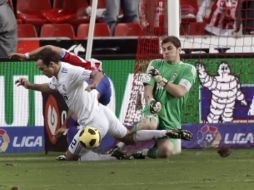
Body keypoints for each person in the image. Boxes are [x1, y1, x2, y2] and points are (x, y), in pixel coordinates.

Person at [14, 47, 192, 161]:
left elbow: (97, 73)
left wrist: (94, 85)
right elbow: (49, 87)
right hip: (102, 112)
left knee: (69, 158)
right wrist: (30, 85)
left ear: (52, 64)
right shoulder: (57, 76)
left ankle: (111, 158)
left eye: (42, 69)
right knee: (128, 137)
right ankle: (166, 133)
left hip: (93, 123)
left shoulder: (71, 71)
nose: (41, 71)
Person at [115, 36, 196, 159]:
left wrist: (161, 80)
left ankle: (141, 152)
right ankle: (119, 145)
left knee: (166, 150)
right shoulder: (155, 64)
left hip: (171, 119)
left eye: (169, 48)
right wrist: (152, 102)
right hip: (154, 112)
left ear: (179, 50)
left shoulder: (188, 69)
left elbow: (180, 92)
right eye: (163, 49)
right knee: (151, 124)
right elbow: (148, 92)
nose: (166, 52)